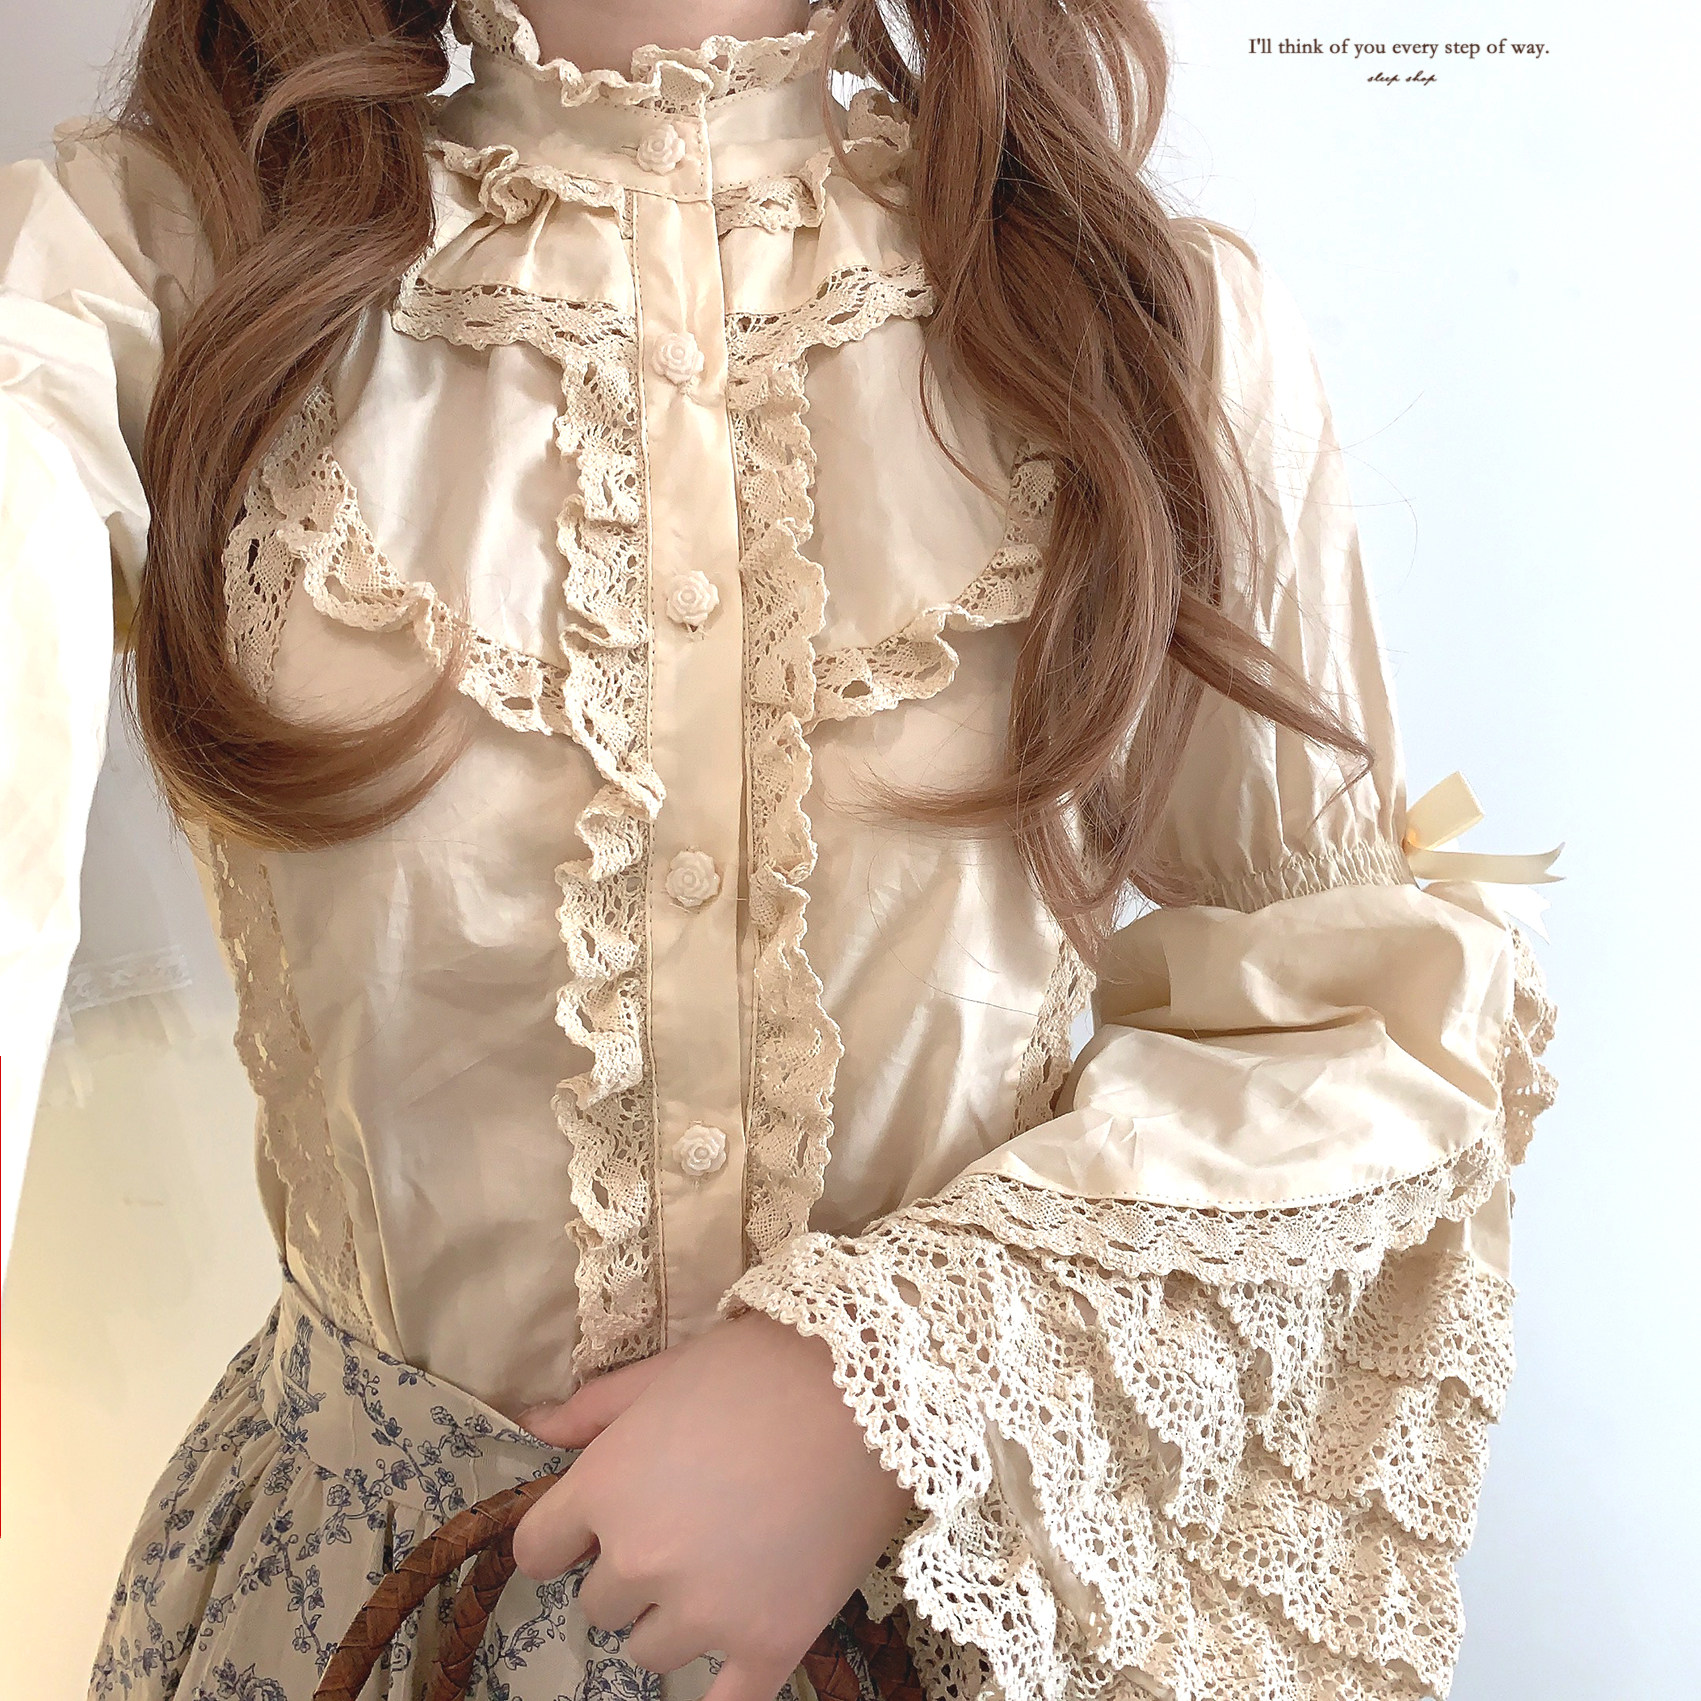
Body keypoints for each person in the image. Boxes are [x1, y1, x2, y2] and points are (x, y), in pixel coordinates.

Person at [0, 0, 1562, 1697]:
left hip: (949, 1607)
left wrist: (881, 1381)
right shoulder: (154, 278)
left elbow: (1346, 1011)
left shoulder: (1133, 321)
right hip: (353, 1618)